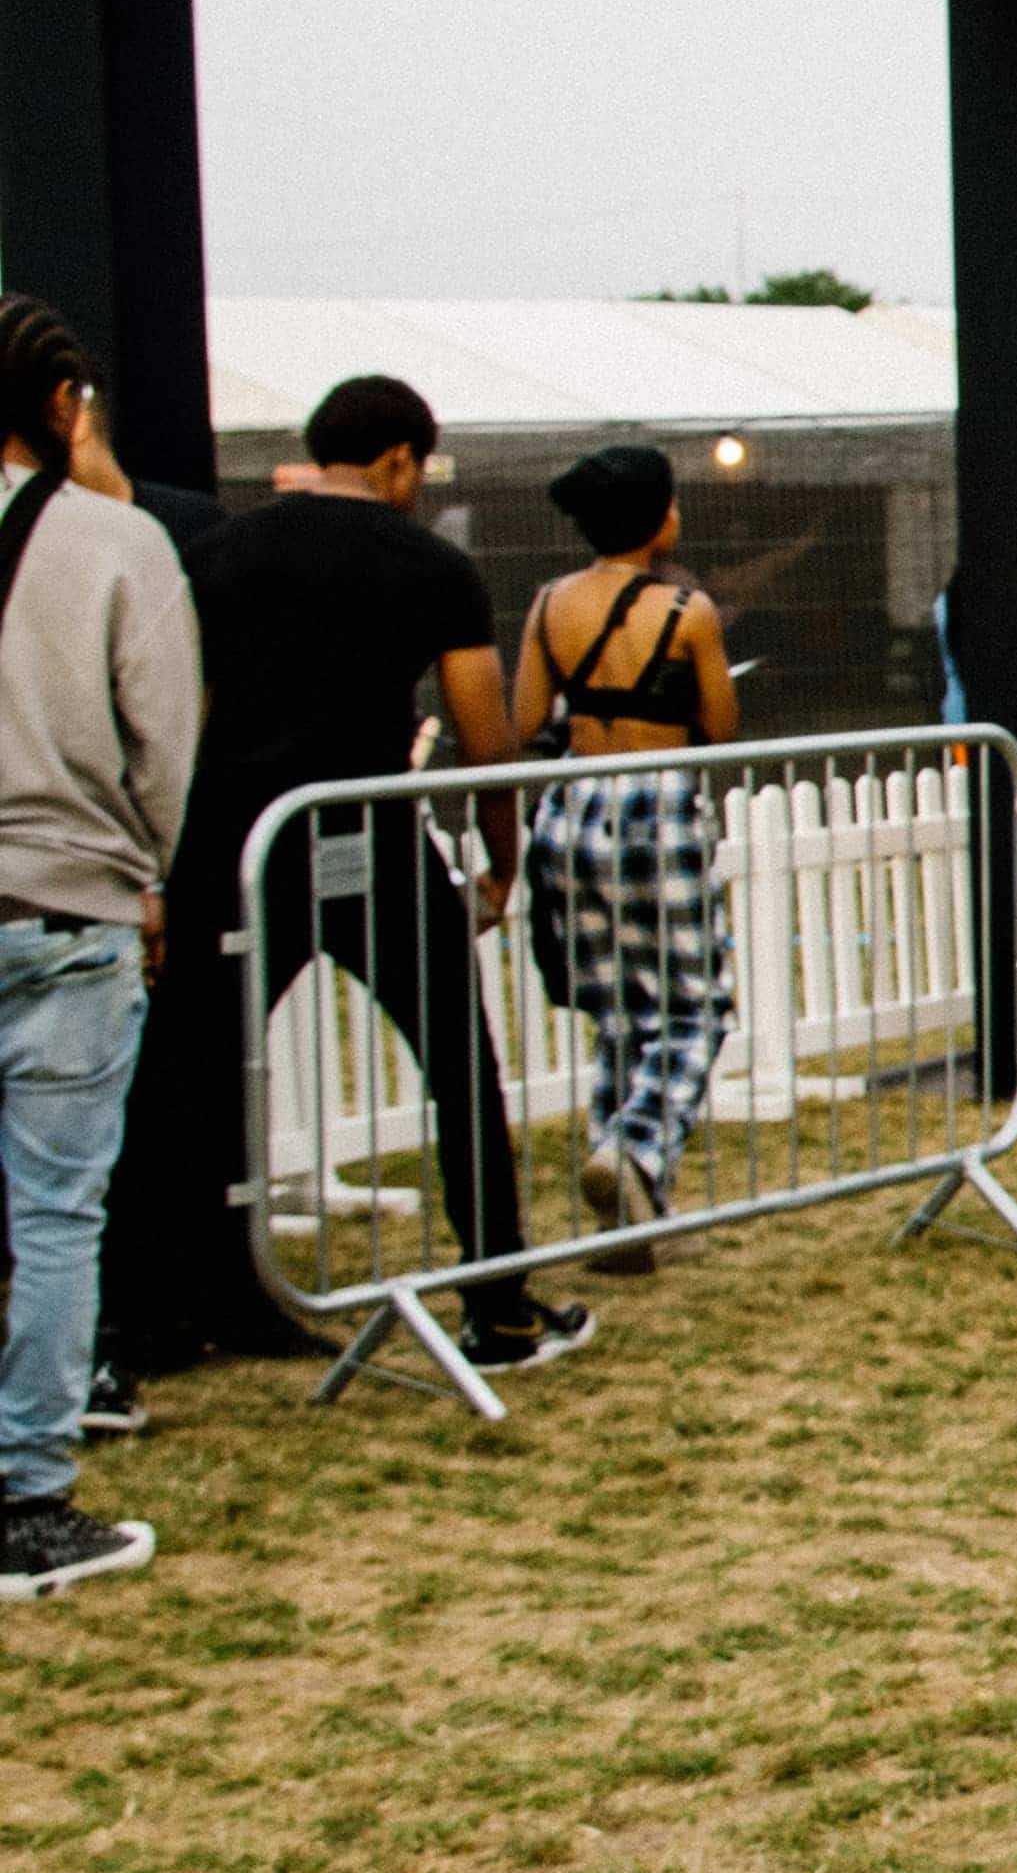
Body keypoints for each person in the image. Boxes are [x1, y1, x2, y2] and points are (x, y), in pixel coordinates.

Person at [149, 375, 586, 1381]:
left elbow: (187, 719)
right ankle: (498, 1302)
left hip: (238, 843)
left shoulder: (216, 554)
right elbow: (488, 741)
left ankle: (190, 1298)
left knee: (200, 1073)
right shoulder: (432, 565)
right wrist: (499, 864)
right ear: (400, 459)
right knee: (459, 1069)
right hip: (375, 839)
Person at [0, 300, 198, 1599]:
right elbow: (162, 741)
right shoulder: (119, 543)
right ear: (65, 402)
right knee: (56, 1211)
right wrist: (146, 872)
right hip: (64, 903)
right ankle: (27, 1497)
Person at [513, 441, 739, 1260]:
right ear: (661, 516)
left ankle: (630, 1218)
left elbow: (529, 715)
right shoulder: (688, 612)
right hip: (659, 805)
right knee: (696, 1008)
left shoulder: (547, 604)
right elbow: (719, 725)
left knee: (619, 1013)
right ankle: (636, 1149)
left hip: (573, 807)